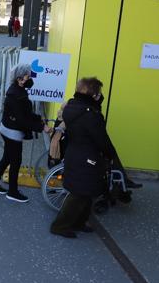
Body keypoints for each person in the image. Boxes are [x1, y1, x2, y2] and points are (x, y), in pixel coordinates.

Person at [50, 77, 117, 238]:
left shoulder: (72, 106)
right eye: (98, 93)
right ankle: (59, 226)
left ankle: (78, 223)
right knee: (79, 194)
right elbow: (102, 139)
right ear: (93, 94)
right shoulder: (91, 115)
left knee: (86, 192)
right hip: (88, 158)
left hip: (75, 153)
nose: (100, 96)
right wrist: (111, 155)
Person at [0, 63, 51, 202]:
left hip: (9, 128)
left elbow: (26, 114)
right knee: (15, 161)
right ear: (19, 79)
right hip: (12, 132)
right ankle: (12, 192)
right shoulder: (16, 95)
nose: (29, 79)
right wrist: (41, 127)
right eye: (27, 76)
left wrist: (39, 120)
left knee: (8, 158)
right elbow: (22, 120)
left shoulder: (17, 90)